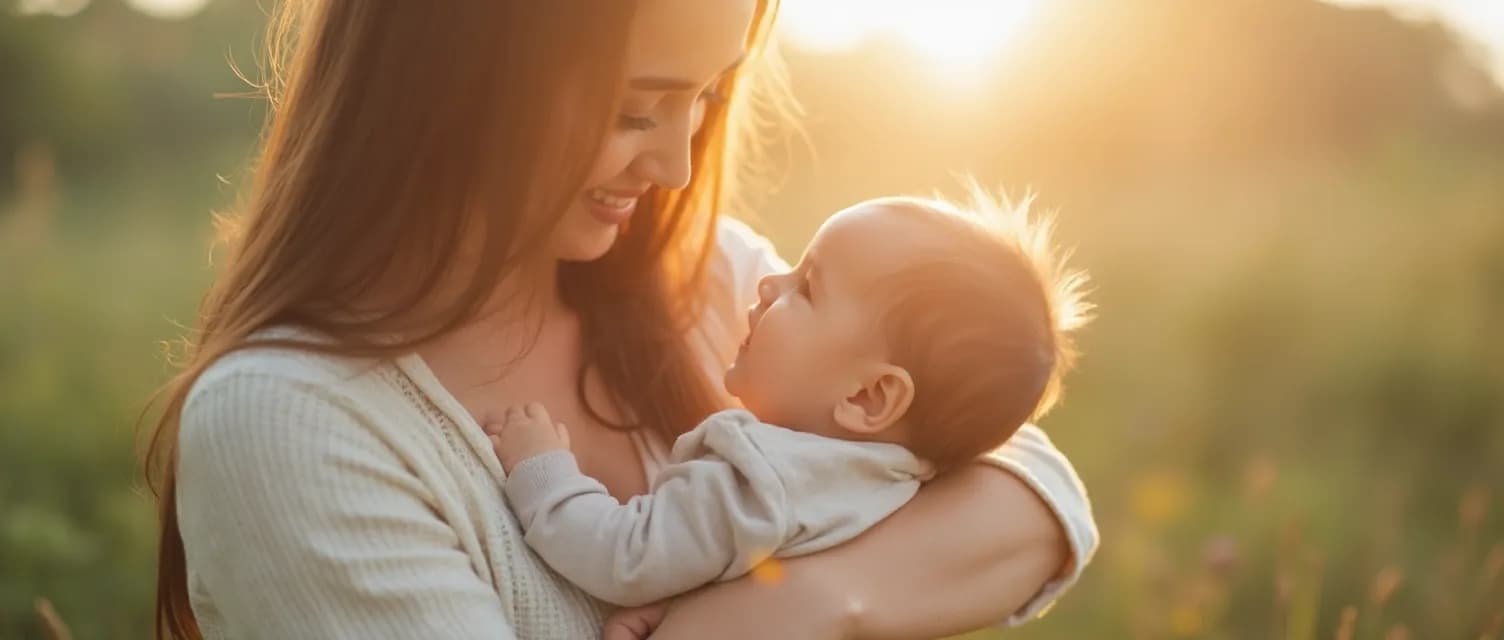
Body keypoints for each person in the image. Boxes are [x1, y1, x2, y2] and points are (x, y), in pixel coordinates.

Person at [142, 1, 1099, 638]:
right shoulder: (294, 424)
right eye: (638, 111)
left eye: (707, 97)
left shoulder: (709, 279)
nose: (678, 167)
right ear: (455, 79)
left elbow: (1036, 488)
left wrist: (802, 607)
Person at [484, 194, 1092, 631]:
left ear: (868, 397)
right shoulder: (897, 483)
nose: (770, 284)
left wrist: (543, 469)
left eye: (806, 287)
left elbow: (624, 555)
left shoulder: (759, 477)